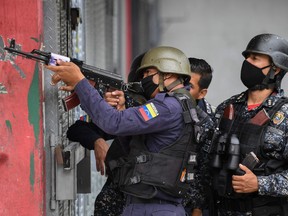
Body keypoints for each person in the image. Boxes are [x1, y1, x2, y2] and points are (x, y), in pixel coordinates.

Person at [47, 46, 208, 216]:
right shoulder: (179, 105)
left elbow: (113, 123)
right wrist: (121, 110)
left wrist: (80, 82)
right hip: (149, 204)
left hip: (153, 207)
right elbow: (135, 144)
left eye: (148, 74)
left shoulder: (168, 107)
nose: (144, 79)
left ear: (166, 74)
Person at [210, 33, 288, 216]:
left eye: (255, 58)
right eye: (246, 57)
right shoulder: (227, 107)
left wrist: (260, 184)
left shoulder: (284, 114)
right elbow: (206, 162)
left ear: (275, 69)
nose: (247, 63)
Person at [67, 52, 147, 216]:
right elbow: (77, 129)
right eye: (144, 74)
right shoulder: (131, 107)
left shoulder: (168, 114)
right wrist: (97, 141)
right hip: (115, 203)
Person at [183, 57, 214, 216]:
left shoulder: (208, 122)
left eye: (188, 86)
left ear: (202, 93)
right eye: (180, 81)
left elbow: (204, 169)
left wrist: (197, 208)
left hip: (187, 203)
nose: (180, 88)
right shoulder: (159, 103)